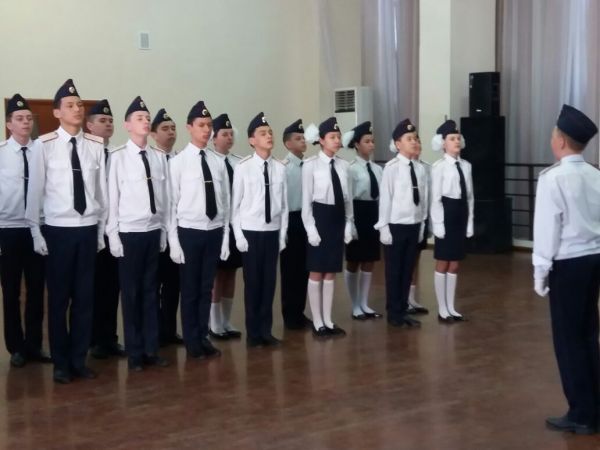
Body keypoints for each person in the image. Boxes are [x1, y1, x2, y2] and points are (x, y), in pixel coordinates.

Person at [26, 79, 107, 383]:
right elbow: (35, 192)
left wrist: (100, 231)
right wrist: (36, 232)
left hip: (86, 229)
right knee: (59, 299)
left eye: (80, 104)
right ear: (57, 112)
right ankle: (61, 362)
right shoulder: (44, 145)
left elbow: (100, 193)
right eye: (70, 105)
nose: (77, 108)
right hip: (58, 231)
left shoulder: (94, 146)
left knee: (85, 299)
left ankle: (78, 359)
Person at [533, 104, 600, 435]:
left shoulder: (553, 178)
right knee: (588, 334)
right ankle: (595, 406)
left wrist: (540, 271)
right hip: (594, 259)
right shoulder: (595, 175)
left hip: (568, 263)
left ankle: (581, 413)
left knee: (568, 339)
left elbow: (548, 229)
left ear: (560, 140)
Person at [107, 96, 169, 371]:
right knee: (131, 294)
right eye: (139, 118)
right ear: (127, 125)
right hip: (129, 233)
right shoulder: (118, 157)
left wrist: (164, 231)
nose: (145, 122)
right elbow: (112, 199)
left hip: (152, 231)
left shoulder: (158, 157)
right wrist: (113, 235)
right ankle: (134, 353)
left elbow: (165, 197)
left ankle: (151, 349)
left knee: (151, 291)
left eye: (147, 118)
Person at [168, 101, 230, 359]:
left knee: (206, 288)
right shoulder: (179, 162)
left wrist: (225, 236)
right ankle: (191, 340)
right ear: (189, 128)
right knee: (190, 289)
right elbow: (172, 204)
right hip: (189, 231)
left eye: (209, 126)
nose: (206, 130)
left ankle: (203, 336)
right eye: (201, 125)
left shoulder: (217, 161)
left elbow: (225, 201)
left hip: (213, 230)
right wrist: (173, 241)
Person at [0, 94, 51, 368]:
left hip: (37, 230)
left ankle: (33, 344)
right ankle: (16, 347)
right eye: (19, 119)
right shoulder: (1, 153)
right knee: (10, 292)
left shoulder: (42, 151)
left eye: (29, 118)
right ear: (9, 124)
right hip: (8, 229)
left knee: (36, 289)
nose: (25, 123)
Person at [231, 112, 288, 348]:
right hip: (251, 232)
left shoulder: (280, 168)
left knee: (269, 283)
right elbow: (235, 206)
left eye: (270, 132)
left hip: (272, 231)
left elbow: (283, 206)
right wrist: (239, 235)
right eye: (263, 133)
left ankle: (266, 330)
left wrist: (282, 234)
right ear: (252, 140)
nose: (269, 136)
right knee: (253, 283)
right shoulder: (243, 167)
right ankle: (253, 332)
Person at [302, 117, 355, 338]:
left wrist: (349, 224)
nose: (336, 140)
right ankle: (317, 321)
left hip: (337, 219)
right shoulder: (311, 165)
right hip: (319, 218)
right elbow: (306, 202)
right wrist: (311, 229)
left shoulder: (344, 166)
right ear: (321, 140)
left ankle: (328, 319)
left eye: (338, 137)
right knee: (317, 270)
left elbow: (348, 199)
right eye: (332, 137)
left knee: (331, 271)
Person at [374, 119, 427, 328]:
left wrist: (422, 223)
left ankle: (403, 309)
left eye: (415, 138)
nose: (413, 142)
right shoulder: (392, 168)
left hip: (413, 224)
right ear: (398, 144)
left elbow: (423, 198)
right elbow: (386, 198)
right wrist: (384, 227)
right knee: (394, 271)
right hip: (396, 225)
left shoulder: (420, 168)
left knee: (408, 270)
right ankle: (394, 312)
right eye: (408, 139)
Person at [86, 99, 126, 359]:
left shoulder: (118, 155)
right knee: (89, 287)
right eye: (102, 120)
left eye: (110, 120)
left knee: (112, 287)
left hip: (115, 229)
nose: (108, 124)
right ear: (89, 126)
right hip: (90, 228)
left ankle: (109, 339)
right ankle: (89, 339)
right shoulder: (84, 153)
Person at [430, 119, 474, 323]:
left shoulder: (466, 166)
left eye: (458, 138)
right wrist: (438, 225)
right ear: (443, 143)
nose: (456, 141)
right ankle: (442, 308)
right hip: (446, 213)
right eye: (451, 138)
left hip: (460, 213)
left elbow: (470, 197)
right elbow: (436, 199)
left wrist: (469, 222)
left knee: (455, 264)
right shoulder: (439, 167)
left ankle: (451, 306)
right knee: (443, 261)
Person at [342, 121, 383, 320]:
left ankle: (365, 303)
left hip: (373, 213)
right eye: (367, 141)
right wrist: (349, 223)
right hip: (357, 213)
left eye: (372, 141)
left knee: (370, 259)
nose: (371, 144)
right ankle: (355, 304)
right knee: (354, 260)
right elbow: (348, 197)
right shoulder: (351, 169)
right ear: (357, 144)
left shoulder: (377, 169)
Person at [209, 113, 243, 340]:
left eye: (231, 134)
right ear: (214, 138)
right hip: (217, 224)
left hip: (234, 223)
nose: (229, 138)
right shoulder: (210, 162)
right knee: (217, 275)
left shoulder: (239, 163)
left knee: (231, 273)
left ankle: (226, 320)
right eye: (224, 134)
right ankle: (214, 323)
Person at [150, 108, 182, 346]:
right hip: (154, 230)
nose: (171, 132)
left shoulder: (181, 160)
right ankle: (155, 331)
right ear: (153, 134)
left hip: (178, 232)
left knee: (174, 284)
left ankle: (169, 330)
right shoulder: (149, 160)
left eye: (173, 128)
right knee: (153, 284)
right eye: (165, 129)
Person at [280, 119, 312, 330]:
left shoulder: (310, 166)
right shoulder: (283, 168)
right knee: (290, 270)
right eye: (297, 138)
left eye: (303, 138)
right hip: (291, 219)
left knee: (304, 269)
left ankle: (300, 311)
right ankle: (290, 315)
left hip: (307, 219)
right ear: (287, 143)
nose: (303, 141)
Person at [408, 135, 430, 315]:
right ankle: (403, 298)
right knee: (406, 260)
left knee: (416, 258)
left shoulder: (427, 168)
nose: (417, 145)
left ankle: (411, 298)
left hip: (422, 216)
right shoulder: (399, 167)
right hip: (406, 217)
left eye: (419, 142)